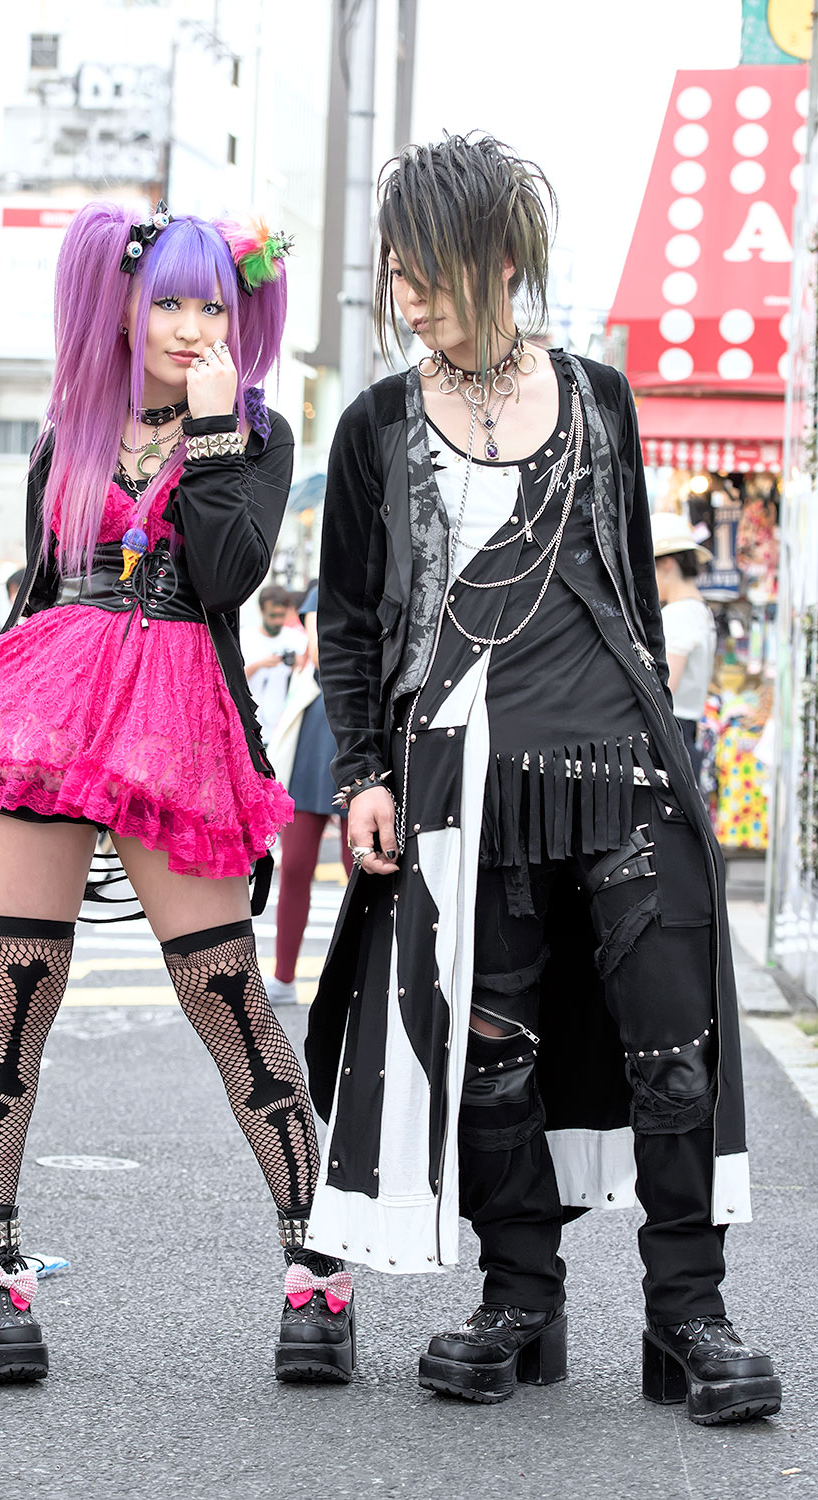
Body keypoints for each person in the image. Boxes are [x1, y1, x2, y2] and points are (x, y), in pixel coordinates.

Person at [304, 133, 779, 1425]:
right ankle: (521, 1297)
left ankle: (690, 1317)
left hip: (621, 767)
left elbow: (622, 585)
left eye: (429, 273)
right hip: (464, 789)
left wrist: (673, 754)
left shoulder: (600, 400)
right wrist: (359, 773)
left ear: (501, 258)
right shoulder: (377, 426)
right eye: (397, 275)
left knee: (672, 1044)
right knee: (494, 1053)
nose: (409, 299)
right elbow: (346, 623)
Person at [0, 202, 354, 1387]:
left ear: (241, 316)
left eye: (213, 305)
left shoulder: (258, 434)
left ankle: (316, 1271)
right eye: (168, 301)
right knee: (16, 990)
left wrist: (216, 433)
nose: (189, 326)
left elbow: (224, 578)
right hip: (54, 711)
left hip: (176, 723)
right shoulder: (64, 435)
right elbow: (32, 610)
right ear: (123, 306)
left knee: (227, 997)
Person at [265, 582, 349, 1006]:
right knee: (295, 865)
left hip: (358, 730)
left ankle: (366, 975)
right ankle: (283, 977)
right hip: (318, 731)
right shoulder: (322, 588)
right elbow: (319, 653)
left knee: (363, 872)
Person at [651, 512, 716, 780]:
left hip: (672, 736)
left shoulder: (681, 614)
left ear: (667, 564)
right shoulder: (699, 610)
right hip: (684, 732)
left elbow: (664, 688)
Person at [240, 584, 305, 744]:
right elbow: (233, 681)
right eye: (272, 615)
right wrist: (259, 665)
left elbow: (306, 682)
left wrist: (298, 665)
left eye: (281, 615)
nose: (277, 621)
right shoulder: (245, 638)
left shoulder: (297, 639)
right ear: (261, 611)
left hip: (283, 728)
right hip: (251, 725)